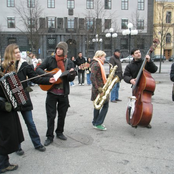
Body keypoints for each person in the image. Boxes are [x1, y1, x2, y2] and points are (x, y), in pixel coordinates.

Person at [2, 44, 56, 155]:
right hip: (10, 100)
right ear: (9, 54)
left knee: (30, 123)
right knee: (14, 125)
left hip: (23, 97)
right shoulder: (3, 67)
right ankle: (17, 147)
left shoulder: (24, 64)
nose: (18, 54)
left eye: (18, 52)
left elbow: (35, 77)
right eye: (15, 52)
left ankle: (37, 143)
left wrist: (47, 80)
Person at [36, 41, 77, 146]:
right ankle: (49, 136)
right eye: (57, 48)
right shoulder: (50, 60)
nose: (58, 50)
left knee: (62, 115)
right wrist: (48, 76)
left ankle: (59, 132)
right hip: (51, 93)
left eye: (60, 49)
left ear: (64, 51)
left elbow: (70, 78)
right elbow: (38, 69)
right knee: (51, 116)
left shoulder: (68, 62)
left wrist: (72, 73)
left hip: (63, 94)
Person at [123, 48, 158, 128]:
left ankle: (145, 120)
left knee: (146, 107)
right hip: (136, 89)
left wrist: (149, 61)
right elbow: (125, 76)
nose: (139, 54)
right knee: (135, 106)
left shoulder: (145, 62)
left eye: (139, 52)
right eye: (136, 53)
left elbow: (154, 69)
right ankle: (135, 119)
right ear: (132, 55)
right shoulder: (130, 66)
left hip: (145, 89)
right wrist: (130, 80)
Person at [0, 63, 24, 173]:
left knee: (5, 137)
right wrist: (3, 105)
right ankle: (3, 165)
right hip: (3, 111)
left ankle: (4, 163)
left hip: (7, 110)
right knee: (4, 138)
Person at [90, 50, 108, 131]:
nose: (105, 58)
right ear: (100, 57)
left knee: (97, 106)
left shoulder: (97, 63)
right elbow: (92, 77)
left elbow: (98, 76)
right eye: (104, 56)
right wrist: (99, 89)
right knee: (105, 105)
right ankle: (98, 123)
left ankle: (95, 122)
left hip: (99, 88)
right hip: (99, 89)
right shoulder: (96, 64)